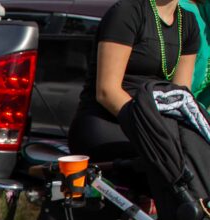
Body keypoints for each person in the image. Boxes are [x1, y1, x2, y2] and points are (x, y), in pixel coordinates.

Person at [70, 0, 199, 161]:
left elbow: (180, 97)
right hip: (109, 121)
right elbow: (107, 92)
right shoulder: (127, 11)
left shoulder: (188, 22)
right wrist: (153, 128)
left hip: (154, 125)